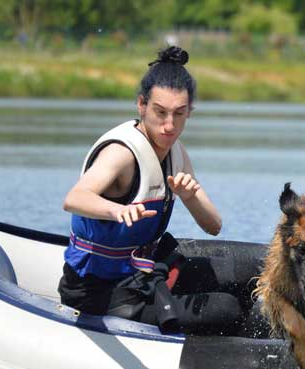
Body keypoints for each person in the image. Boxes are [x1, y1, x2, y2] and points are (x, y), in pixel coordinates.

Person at [58, 46, 242, 334]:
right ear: (141, 105)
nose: (169, 125)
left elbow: (214, 226)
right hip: (99, 291)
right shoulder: (122, 154)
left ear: (189, 112)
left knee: (248, 273)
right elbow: (74, 199)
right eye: (160, 112)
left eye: (179, 114)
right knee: (226, 308)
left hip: (143, 273)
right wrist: (117, 210)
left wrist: (190, 196)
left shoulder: (176, 152)